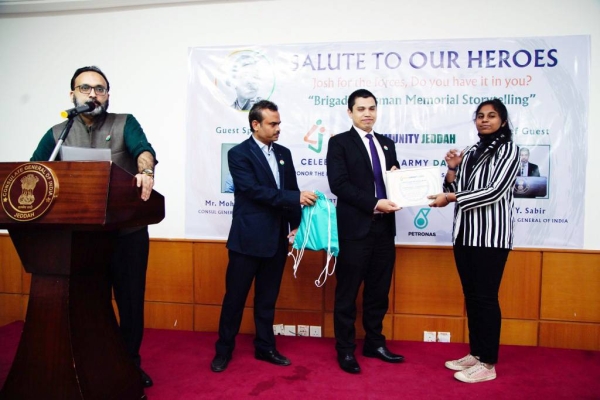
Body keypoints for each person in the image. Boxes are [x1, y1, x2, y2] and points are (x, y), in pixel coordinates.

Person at [30, 65, 157, 388]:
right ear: (72, 94)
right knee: (91, 303)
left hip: (127, 234)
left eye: (100, 89)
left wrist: (146, 173)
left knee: (130, 303)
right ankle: (98, 361)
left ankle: (129, 364)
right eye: (85, 88)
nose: (93, 94)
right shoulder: (58, 132)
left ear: (108, 95)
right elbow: (34, 170)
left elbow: (145, 152)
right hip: (82, 240)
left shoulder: (124, 122)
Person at [211, 100, 317, 372]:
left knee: (267, 300)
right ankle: (223, 350)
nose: (278, 128)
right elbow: (252, 191)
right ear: (255, 124)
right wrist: (294, 197)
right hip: (246, 241)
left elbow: (291, 188)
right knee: (235, 299)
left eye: (279, 123)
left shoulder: (284, 153)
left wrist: (296, 225)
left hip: (276, 240)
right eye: (273, 124)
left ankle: (265, 347)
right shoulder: (238, 154)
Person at [428, 98, 520, 383]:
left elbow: (493, 191)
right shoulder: (471, 152)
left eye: (491, 116)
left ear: (502, 122)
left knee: (486, 298)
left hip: (491, 237)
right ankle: (477, 353)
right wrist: (453, 168)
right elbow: (454, 188)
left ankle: (488, 364)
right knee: (472, 297)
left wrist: (452, 196)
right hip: (464, 234)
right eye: (480, 116)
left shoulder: (509, 150)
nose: (484, 120)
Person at [326, 89, 404, 374]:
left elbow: (394, 179)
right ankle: (345, 350)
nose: (367, 113)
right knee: (347, 294)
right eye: (361, 109)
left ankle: (374, 343)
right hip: (355, 230)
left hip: (385, 230)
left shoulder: (387, 144)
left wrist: (400, 184)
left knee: (378, 292)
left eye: (371, 108)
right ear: (350, 112)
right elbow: (339, 185)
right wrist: (374, 203)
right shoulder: (339, 144)